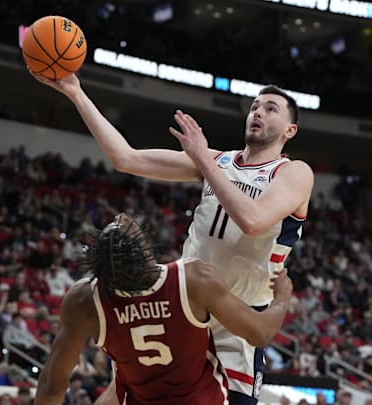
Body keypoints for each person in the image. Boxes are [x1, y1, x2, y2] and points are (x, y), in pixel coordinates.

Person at [32, 71, 313, 403]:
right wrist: (77, 93)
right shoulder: (217, 160)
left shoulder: (294, 172)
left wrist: (203, 160)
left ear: (289, 130)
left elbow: (253, 220)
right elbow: (126, 158)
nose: (258, 113)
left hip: (237, 322)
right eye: (254, 107)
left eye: (270, 109)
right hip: (184, 308)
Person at [34, 213, 293, 404]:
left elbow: (51, 386)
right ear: (147, 253)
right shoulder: (191, 279)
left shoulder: (85, 300)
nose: (121, 217)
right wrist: (282, 297)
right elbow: (260, 333)